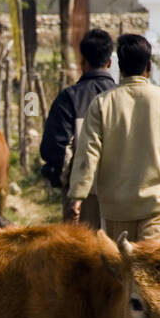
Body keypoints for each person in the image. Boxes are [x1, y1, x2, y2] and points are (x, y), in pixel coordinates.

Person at [64, 33, 160, 241]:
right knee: (153, 271)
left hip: (115, 212)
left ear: (119, 67)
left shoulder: (102, 104)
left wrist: (77, 196)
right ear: (149, 66)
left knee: (119, 271)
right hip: (156, 208)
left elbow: (88, 155)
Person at [39, 29, 117, 226]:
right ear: (109, 62)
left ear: (82, 61)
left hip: (80, 200)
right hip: (122, 196)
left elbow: (53, 149)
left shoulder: (69, 99)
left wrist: (70, 182)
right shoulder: (123, 98)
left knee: (81, 254)